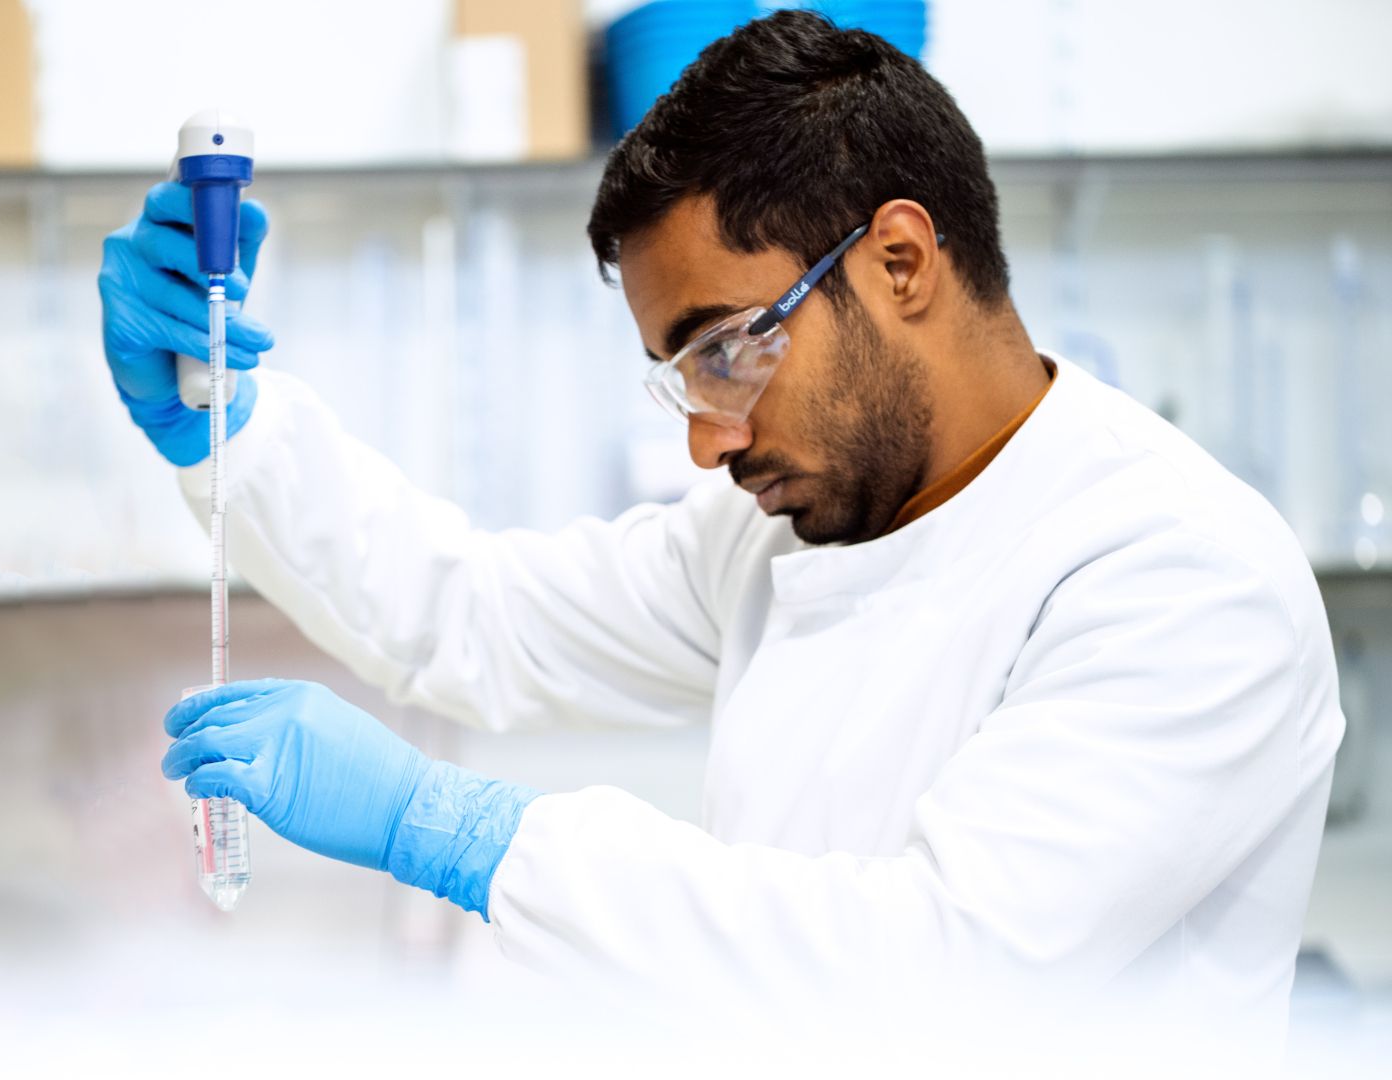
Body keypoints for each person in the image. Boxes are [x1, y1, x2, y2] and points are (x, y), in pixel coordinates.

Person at [97, 10, 1342, 1044]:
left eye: (728, 350)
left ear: (900, 262)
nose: (708, 438)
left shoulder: (1178, 573)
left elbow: (938, 979)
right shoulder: (785, 532)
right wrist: (226, 424)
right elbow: (474, 616)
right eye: (680, 373)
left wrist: (457, 832)